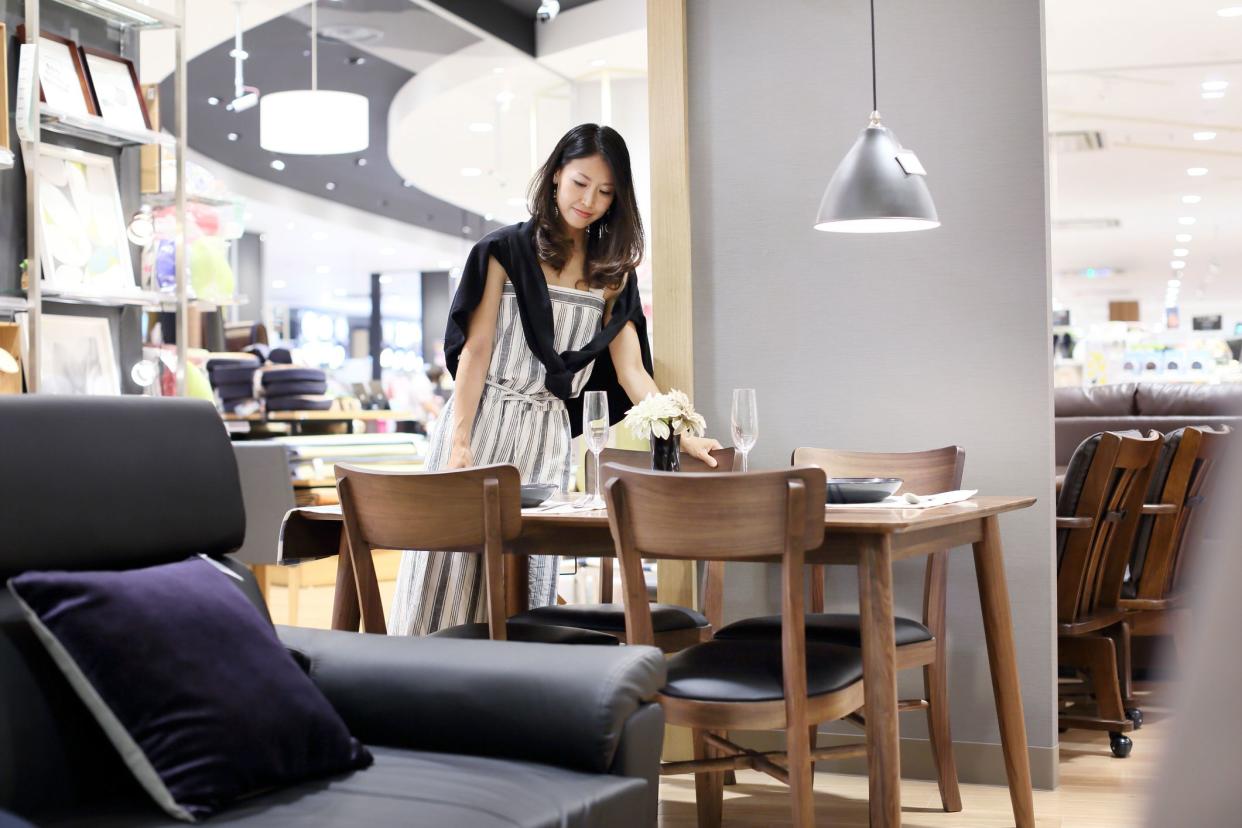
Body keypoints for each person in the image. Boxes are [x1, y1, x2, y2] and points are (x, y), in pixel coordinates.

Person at [389, 123, 721, 636]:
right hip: (482, 424)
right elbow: (475, 353)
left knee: (525, 582)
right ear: (555, 178)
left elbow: (632, 372)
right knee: (449, 576)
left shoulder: (614, 272)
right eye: (580, 183)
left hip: (546, 438)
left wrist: (682, 432)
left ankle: (512, 704)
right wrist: (458, 442)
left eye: (606, 192)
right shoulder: (504, 250)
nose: (589, 200)